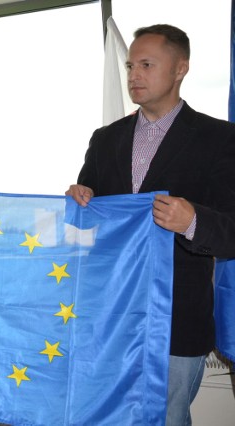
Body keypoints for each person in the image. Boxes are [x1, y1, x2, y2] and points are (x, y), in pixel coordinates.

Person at [66, 24, 235, 425]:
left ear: (180, 69)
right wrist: (78, 201)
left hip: (177, 321)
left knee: (166, 419)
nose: (134, 75)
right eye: (129, 66)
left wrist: (192, 220)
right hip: (108, 315)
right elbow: (88, 222)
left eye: (146, 64)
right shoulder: (105, 139)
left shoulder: (221, 139)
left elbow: (231, 231)